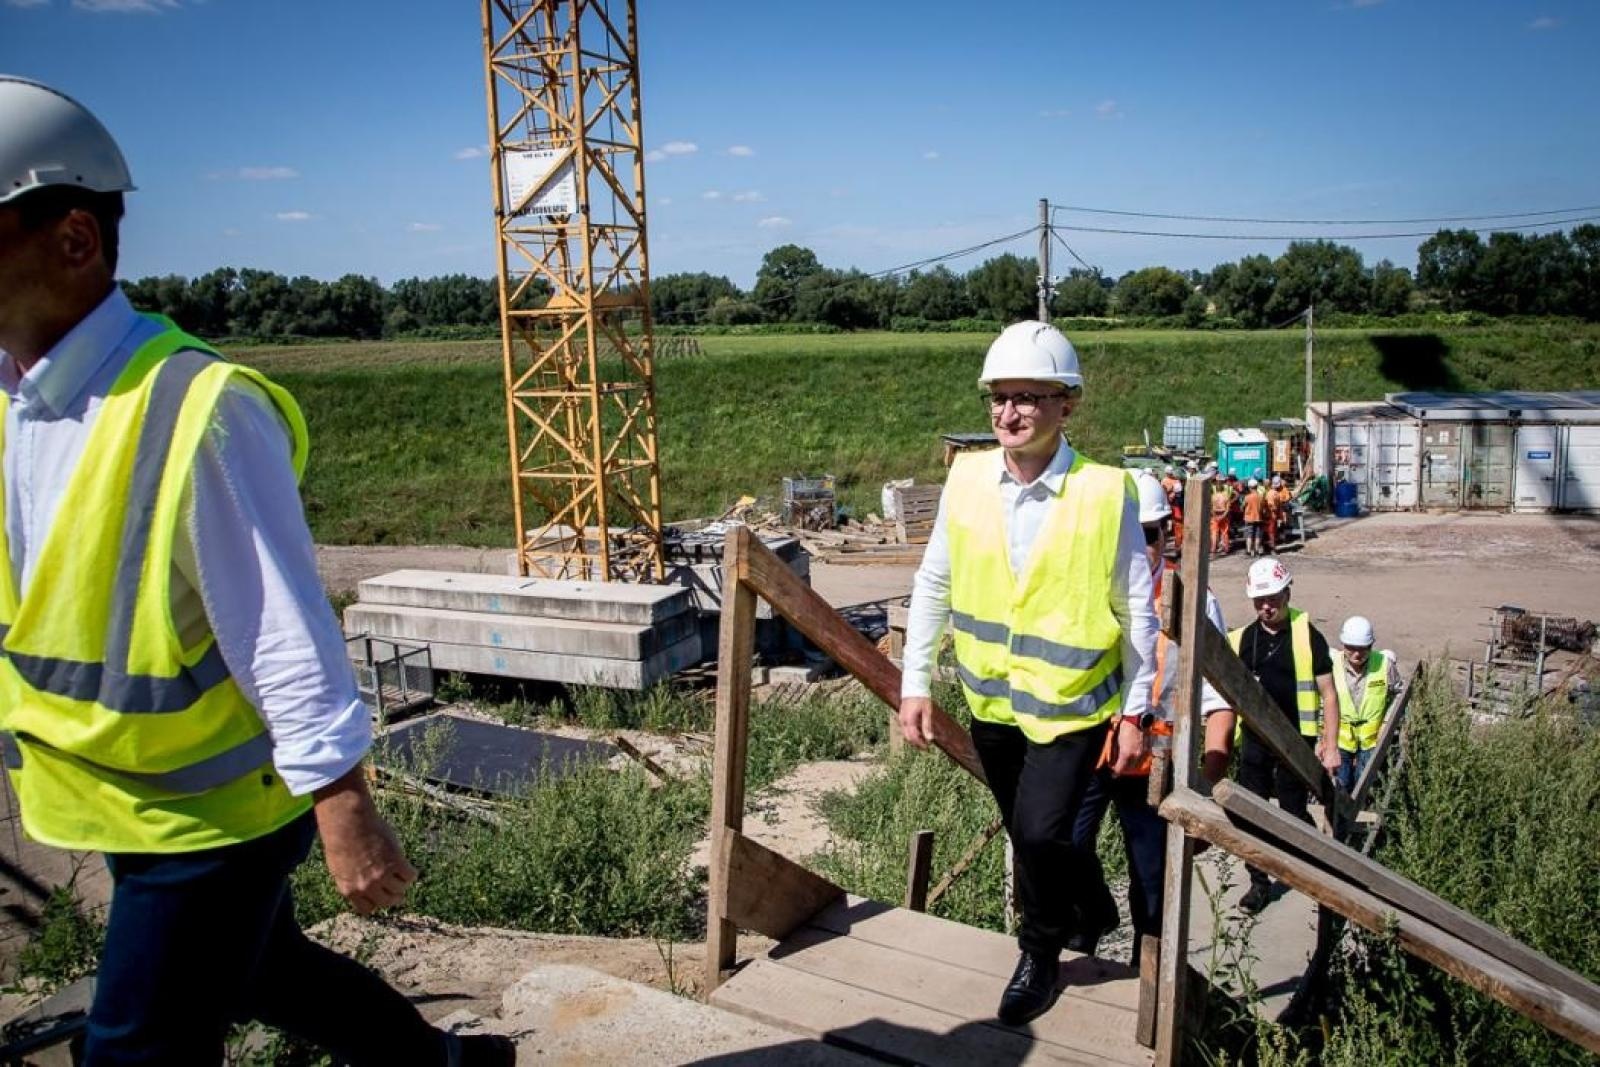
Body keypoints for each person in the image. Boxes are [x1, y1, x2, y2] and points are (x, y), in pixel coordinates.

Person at [0, 76, 513, 1065]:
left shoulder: (196, 408)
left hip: (211, 818)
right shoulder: (19, 402)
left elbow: (284, 624)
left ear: (73, 239)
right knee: (265, 968)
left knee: (132, 1050)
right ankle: (446, 1062)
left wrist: (344, 803)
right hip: (120, 793)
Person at [898, 320, 1157, 1025]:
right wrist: (915, 683)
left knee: (1044, 833)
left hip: (1074, 706)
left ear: (1066, 403)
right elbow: (933, 583)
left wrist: (1135, 713)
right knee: (1024, 829)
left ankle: (1039, 952)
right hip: (993, 702)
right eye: (999, 397)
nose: (1008, 413)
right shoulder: (967, 479)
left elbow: (1138, 611)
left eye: (1027, 398)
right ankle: (1095, 904)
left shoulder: (1108, 493)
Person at [1070, 473, 1236, 955]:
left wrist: (1208, 782)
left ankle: (1146, 978)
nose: (1138, 547)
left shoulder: (1192, 603)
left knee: (1152, 880)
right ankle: (1096, 913)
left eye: (1147, 534)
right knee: (1062, 844)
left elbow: (1219, 698)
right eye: (1126, 534)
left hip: (1155, 766)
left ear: (1166, 532)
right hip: (1098, 754)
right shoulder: (1095, 594)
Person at [1228, 557, 1341, 915]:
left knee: (1292, 811)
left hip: (1295, 742)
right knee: (1254, 814)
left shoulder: (1307, 636)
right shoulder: (1243, 640)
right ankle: (1259, 884)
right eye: (1260, 600)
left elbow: (1329, 694)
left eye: (1273, 598)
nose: (1267, 606)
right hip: (1255, 742)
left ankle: (1305, 864)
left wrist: (1331, 744)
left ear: (1287, 592)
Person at [1332, 616, 1401, 793]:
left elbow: (1398, 694)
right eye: (1352, 648)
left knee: (1364, 787)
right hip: (1340, 737)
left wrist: (1387, 724)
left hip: (1371, 739)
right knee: (1341, 785)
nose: (1357, 654)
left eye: (1363, 649)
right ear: (1343, 644)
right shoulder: (1331, 665)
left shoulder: (1384, 665)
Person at [1241, 477, 1264, 557]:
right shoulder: (1261, 497)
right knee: (1257, 535)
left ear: (1249, 487)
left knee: (1249, 535)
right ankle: (1257, 551)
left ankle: (1249, 551)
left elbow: (1242, 506)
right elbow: (1262, 507)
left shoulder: (1247, 497)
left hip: (1249, 519)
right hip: (1259, 518)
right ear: (1257, 486)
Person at [1210, 476, 1233, 557]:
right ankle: (1226, 548)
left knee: (1214, 533)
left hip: (1215, 515)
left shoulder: (1213, 496)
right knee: (1224, 532)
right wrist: (1223, 516)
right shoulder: (1226, 495)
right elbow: (1228, 508)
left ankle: (1213, 549)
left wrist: (1215, 516)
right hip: (1224, 515)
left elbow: (1210, 508)